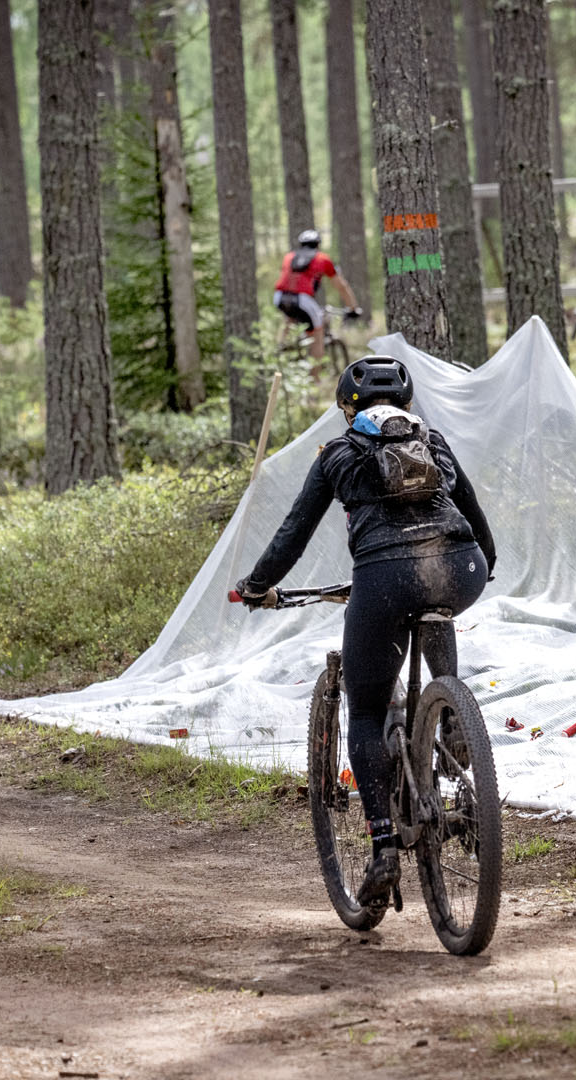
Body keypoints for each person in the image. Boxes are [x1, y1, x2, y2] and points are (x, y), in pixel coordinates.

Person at [234, 357, 497, 908]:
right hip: (460, 565)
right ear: (406, 407)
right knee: (437, 607)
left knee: (369, 712)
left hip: (383, 578)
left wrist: (258, 585)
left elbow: (292, 534)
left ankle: (382, 848)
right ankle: (449, 721)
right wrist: (483, 566)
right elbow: (473, 516)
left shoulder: (338, 454)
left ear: (346, 410)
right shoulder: (436, 441)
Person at [273, 228, 363, 356]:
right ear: (318, 244)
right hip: (302, 299)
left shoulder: (289, 256)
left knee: (290, 317)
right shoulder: (322, 258)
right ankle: (315, 375)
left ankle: (279, 353)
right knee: (317, 334)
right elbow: (341, 286)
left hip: (279, 297)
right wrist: (353, 307)